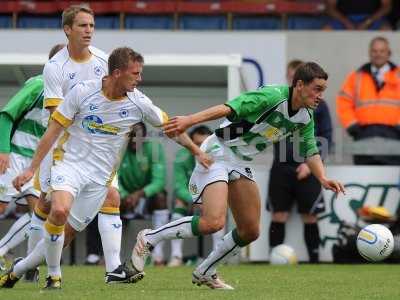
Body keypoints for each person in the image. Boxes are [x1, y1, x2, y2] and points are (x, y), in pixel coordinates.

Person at [0, 47, 210, 290]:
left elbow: (171, 127)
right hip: (68, 165)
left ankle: (18, 269)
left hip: (99, 179)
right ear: (117, 73)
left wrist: (198, 152)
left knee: (66, 234)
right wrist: (31, 169)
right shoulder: (83, 92)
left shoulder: (138, 102)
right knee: (58, 210)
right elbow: (53, 131)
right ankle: (57, 276)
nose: (139, 79)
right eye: (135, 74)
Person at [128, 62, 345, 290]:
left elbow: (310, 149)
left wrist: (322, 178)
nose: (321, 95)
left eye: (323, 90)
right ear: (300, 85)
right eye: (318, 88)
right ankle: (150, 238)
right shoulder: (271, 96)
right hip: (219, 151)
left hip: (241, 161)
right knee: (213, 222)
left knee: (250, 230)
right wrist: (189, 120)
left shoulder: (306, 116)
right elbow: (228, 108)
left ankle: (206, 271)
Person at [26, 4, 130, 283]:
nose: (88, 31)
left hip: (100, 145)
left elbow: (118, 96)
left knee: (112, 196)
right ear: (67, 29)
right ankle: (29, 266)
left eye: (92, 26)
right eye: (83, 26)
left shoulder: (104, 61)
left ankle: (113, 269)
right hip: (64, 146)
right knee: (49, 206)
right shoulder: (55, 67)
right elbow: (56, 116)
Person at [0, 44, 65, 280]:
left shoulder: (67, 92)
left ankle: (27, 266)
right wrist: (3, 150)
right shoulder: (38, 85)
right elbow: (6, 115)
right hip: (13, 155)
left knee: (41, 211)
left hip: (36, 162)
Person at [267, 60, 333, 263]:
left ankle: (314, 260)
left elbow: (327, 136)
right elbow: (266, 130)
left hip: (308, 167)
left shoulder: (318, 105)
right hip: (281, 167)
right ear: (293, 80)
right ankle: (274, 259)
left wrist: (310, 164)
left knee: (310, 215)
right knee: (278, 215)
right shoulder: (277, 101)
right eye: (291, 75)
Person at [336, 36, 400, 165]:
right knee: (364, 174)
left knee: (389, 179)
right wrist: (352, 126)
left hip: (394, 135)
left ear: (389, 53)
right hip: (363, 134)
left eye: (382, 51)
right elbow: (343, 101)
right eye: (374, 51)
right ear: (369, 53)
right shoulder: (356, 77)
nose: (378, 54)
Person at [169, 125, 225, 267]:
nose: (202, 148)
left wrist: (205, 201)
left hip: (209, 199)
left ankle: (217, 256)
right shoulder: (182, 157)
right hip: (190, 198)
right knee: (179, 202)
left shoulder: (219, 158)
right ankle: (176, 256)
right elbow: (179, 186)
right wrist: (194, 199)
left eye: (205, 143)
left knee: (221, 204)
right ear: (191, 144)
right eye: (198, 144)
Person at [118, 121, 169, 266]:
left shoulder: (154, 148)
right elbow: (113, 178)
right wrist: (124, 195)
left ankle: (158, 256)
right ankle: (109, 257)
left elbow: (159, 182)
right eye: (131, 136)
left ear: (145, 136)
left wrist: (139, 195)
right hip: (125, 199)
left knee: (161, 197)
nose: (135, 139)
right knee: (109, 199)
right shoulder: (119, 149)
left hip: (146, 198)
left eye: (138, 136)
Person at [324, 0, 392, 30]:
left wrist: (368, 22)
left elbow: (386, 6)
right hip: (344, 18)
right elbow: (329, 7)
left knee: (386, 29)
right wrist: (346, 22)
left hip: (372, 18)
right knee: (327, 30)